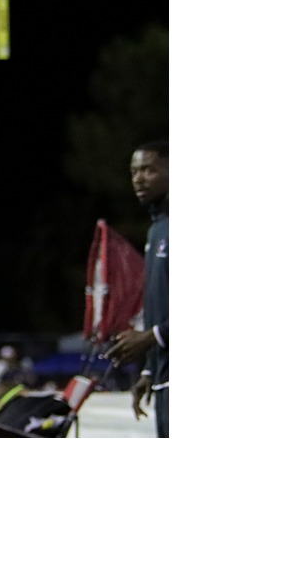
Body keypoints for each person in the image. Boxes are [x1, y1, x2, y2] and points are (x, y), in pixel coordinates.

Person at [105, 140, 170, 438]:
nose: (138, 179)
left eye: (149, 170)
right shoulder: (156, 229)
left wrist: (150, 338)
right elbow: (159, 306)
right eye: (134, 172)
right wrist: (149, 369)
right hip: (163, 379)